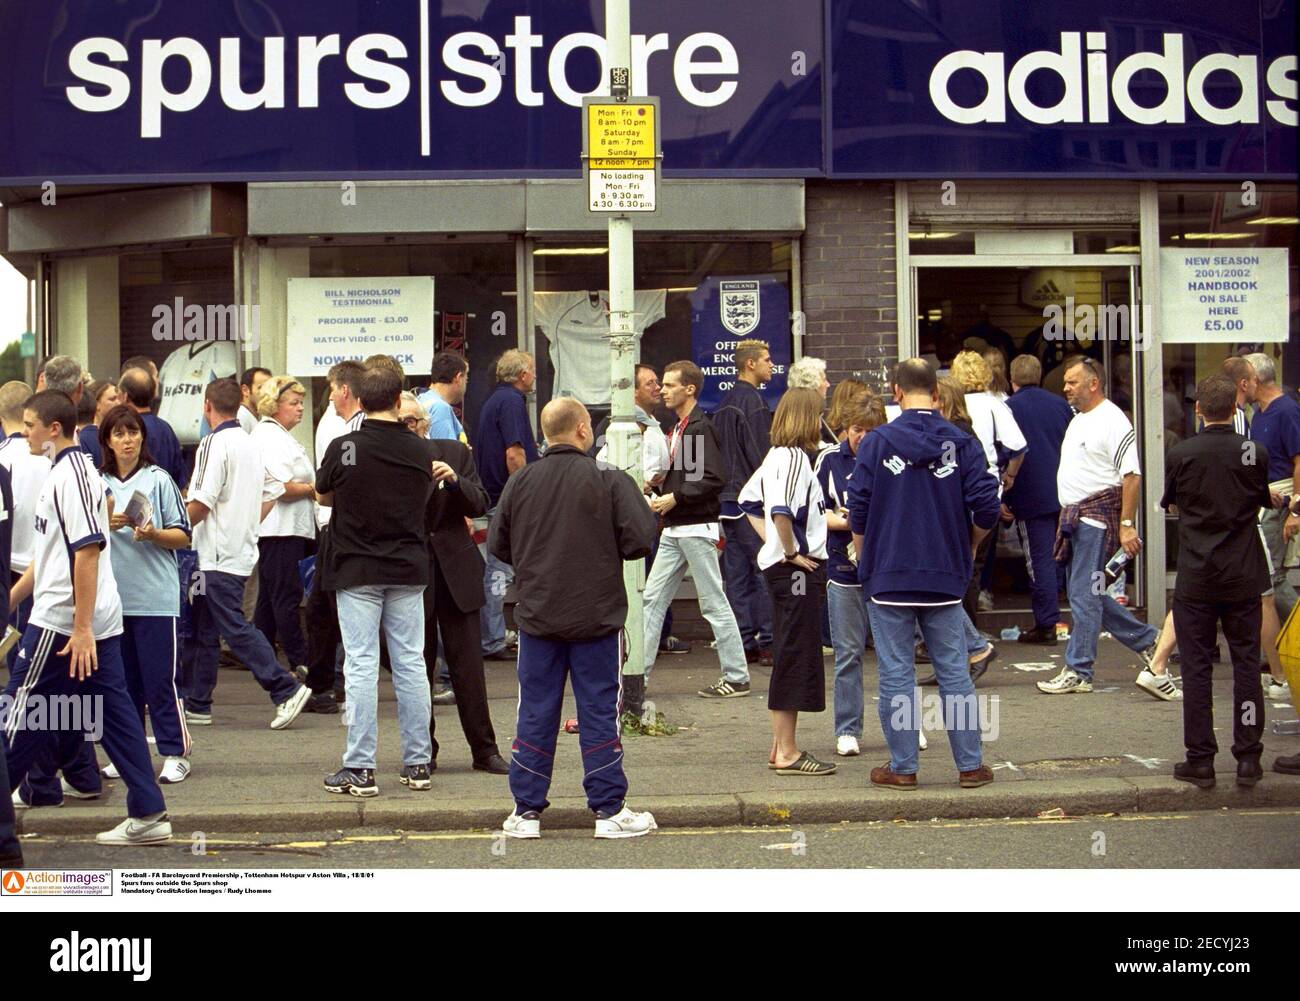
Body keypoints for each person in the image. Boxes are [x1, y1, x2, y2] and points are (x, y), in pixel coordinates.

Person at [5, 391, 172, 844]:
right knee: (113, 718)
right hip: (85, 620)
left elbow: (87, 551)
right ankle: (149, 811)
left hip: (64, 624)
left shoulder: (73, 476)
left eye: (30, 425)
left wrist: (80, 629)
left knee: (19, 712)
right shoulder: (66, 473)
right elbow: (51, 556)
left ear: (53, 429)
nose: (24, 433)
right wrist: (9, 600)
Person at [491, 397, 658, 839]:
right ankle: (608, 811)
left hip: (538, 615)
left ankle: (525, 813)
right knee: (600, 711)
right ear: (584, 429)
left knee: (535, 710)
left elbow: (498, 545)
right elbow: (641, 539)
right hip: (596, 617)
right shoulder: (609, 479)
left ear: (546, 433)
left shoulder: (522, 480)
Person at [848, 359, 1000, 789]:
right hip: (944, 574)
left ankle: (902, 767)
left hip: (889, 572)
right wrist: (968, 545)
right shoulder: (961, 441)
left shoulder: (877, 442)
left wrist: (866, 557)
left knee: (896, 672)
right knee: (954, 671)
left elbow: (858, 506)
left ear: (895, 391)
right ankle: (970, 766)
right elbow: (988, 506)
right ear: (936, 393)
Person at [316, 367, 435, 797]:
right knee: (410, 663)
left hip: (357, 567)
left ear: (360, 401)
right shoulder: (421, 449)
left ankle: (361, 767)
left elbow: (323, 494)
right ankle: (418, 763)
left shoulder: (344, 446)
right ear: (398, 397)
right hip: (407, 565)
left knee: (361, 665)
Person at [182, 379, 312, 728]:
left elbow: (201, 503)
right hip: (237, 548)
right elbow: (273, 488)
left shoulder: (213, 443)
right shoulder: (251, 443)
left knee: (232, 626)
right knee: (204, 626)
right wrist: (248, 521)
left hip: (213, 552)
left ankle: (284, 688)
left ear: (207, 405)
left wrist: (172, 528)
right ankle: (197, 701)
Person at [1160, 375, 1269, 788]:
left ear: (1199, 409)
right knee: (1245, 665)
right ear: (1235, 408)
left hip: (1198, 574)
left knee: (1197, 667)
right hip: (1242, 572)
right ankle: (1248, 757)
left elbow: (1169, 502)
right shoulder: (1252, 452)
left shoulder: (1183, 452)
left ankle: (1201, 758)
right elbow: (1259, 498)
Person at [396, 393, 508, 774]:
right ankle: (423, 751)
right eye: (401, 422)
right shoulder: (389, 459)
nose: (409, 427)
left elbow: (480, 503)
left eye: (414, 421)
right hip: (412, 572)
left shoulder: (453, 452)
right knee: (418, 666)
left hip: (455, 568)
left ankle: (485, 749)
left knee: (468, 668)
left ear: (425, 424)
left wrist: (456, 481)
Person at [1038, 358, 1161, 696]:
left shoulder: (1113, 420)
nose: (1065, 388)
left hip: (1095, 519)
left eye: (1072, 382)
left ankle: (1079, 670)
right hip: (1077, 519)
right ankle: (1151, 641)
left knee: (1084, 593)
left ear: (1094, 384)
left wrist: (1126, 524)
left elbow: (1132, 475)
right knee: (1087, 594)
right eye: (1065, 382)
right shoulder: (1079, 419)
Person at [739, 388, 834, 775]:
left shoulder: (775, 457)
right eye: (817, 414)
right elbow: (781, 511)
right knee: (796, 653)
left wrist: (774, 546)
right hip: (796, 571)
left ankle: (780, 746)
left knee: (788, 649)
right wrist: (790, 550)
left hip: (783, 569)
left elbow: (747, 501)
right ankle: (789, 752)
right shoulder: (795, 457)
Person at [642, 361, 749, 697]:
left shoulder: (698, 428)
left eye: (671, 385)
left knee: (712, 603)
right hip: (679, 527)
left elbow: (714, 478)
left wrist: (674, 495)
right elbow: (695, 476)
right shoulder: (686, 427)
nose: (663, 390)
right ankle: (635, 677)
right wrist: (666, 486)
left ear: (690, 389)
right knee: (653, 600)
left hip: (693, 526)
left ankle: (737, 675)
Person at [99, 405, 194, 784]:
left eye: (133, 432)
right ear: (107, 439)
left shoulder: (159, 480)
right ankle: (130, 755)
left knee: (160, 679)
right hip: (112, 600)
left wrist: (153, 533)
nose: (128, 440)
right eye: (119, 434)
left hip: (155, 598)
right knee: (123, 685)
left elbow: (184, 534)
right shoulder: (96, 482)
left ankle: (176, 751)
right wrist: (103, 523)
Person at [594, 364, 687, 655]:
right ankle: (639, 639)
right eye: (650, 383)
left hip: (654, 509)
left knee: (653, 579)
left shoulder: (652, 423)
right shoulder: (624, 426)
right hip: (639, 510)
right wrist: (642, 484)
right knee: (642, 578)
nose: (657, 387)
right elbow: (604, 464)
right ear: (632, 391)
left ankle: (655, 636)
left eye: (658, 382)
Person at [815, 391, 886, 757]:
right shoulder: (829, 460)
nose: (864, 438)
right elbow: (814, 514)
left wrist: (853, 517)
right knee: (848, 653)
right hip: (843, 568)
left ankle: (905, 726)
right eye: (858, 429)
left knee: (896, 654)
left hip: (887, 571)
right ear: (846, 429)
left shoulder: (893, 457)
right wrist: (848, 520)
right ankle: (847, 729)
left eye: (872, 431)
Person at [302, 360, 366, 714]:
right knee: (322, 609)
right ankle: (322, 683)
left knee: (333, 609)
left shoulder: (352, 433)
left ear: (344, 390)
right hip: (335, 527)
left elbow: (328, 489)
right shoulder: (340, 425)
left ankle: (328, 683)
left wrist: (321, 492)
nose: (328, 396)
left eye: (331, 388)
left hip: (342, 529)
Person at [712, 339, 775, 664]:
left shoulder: (723, 404)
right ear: (749, 364)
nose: (771, 365)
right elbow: (761, 455)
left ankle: (744, 641)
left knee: (735, 576)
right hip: (752, 501)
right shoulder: (753, 403)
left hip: (726, 503)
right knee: (764, 569)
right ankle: (769, 642)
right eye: (766, 360)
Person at [949, 350, 1026, 616]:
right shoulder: (995, 404)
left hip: (953, 490)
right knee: (976, 563)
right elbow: (1018, 446)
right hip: (986, 489)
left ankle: (955, 631)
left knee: (953, 561)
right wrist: (1010, 478)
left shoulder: (950, 406)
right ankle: (969, 631)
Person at [473, 349, 538, 661]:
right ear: (523, 375)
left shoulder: (494, 401)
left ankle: (494, 636)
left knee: (497, 571)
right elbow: (514, 453)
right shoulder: (511, 401)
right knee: (499, 573)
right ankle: (493, 640)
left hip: (494, 497)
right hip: (505, 500)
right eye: (533, 371)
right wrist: (524, 496)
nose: (535, 376)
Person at [250, 376, 316, 680]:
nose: (300, 408)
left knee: (270, 599)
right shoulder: (271, 437)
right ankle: (299, 660)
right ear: (275, 406)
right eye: (294, 403)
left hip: (287, 529)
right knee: (285, 597)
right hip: (280, 529)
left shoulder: (278, 435)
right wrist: (313, 489)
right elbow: (279, 486)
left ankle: (262, 661)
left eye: (301, 402)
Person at [1004, 355, 1072, 644]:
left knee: (1039, 560)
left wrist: (1004, 495)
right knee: (1064, 557)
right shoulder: (1061, 405)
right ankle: (1068, 616)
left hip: (1029, 496)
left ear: (1012, 380)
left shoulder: (1007, 409)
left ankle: (1046, 624)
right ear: (1041, 376)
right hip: (1064, 492)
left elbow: (1006, 453)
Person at [1246, 352, 1300, 697]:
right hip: (1264, 499)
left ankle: (1290, 647)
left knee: (1271, 579)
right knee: (1267, 578)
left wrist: (1296, 509)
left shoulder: (1286, 410)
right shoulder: (1259, 413)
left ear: (1256, 380)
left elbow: (1299, 461)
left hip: (1279, 501)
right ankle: (1279, 657)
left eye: (1244, 378)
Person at [0, 381, 51, 670]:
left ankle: (20, 710)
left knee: (16, 653)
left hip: (11, 569)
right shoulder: (49, 456)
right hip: (46, 566)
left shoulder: (3, 458)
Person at [118, 366, 188, 488]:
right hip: (165, 501)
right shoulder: (166, 429)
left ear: (125, 396)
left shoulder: (122, 431)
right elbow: (179, 475)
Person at [418, 352, 471, 444]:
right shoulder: (440, 408)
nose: (466, 383)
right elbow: (448, 454)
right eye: (466, 379)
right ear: (458, 378)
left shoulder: (421, 399)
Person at [787, 355, 836, 443]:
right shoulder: (805, 418)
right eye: (824, 380)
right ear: (813, 385)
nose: (828, 384)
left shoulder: (796, 412)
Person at [1222, 355, 1257, 436]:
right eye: (1254, 380)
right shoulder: (1236, 416)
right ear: (1244, 384)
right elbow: (1238, 448)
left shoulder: (1211, 415)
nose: (1256, 385)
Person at [238, 367, 271, 434]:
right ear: (245, 390)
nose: (267, 392)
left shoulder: (254, 417)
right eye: (261, 387)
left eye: (270, 388)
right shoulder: (241, 418)